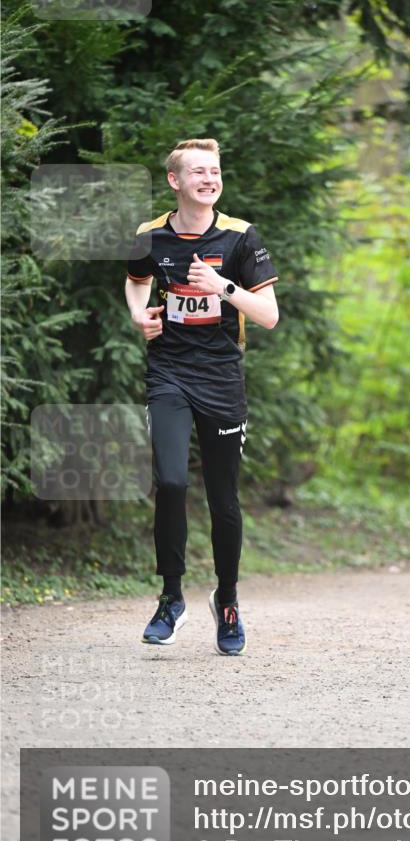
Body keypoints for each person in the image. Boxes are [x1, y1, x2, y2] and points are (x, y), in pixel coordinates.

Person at [125, 138, 279, 655]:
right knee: (170, 481)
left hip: (221, 378)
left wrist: (223, 287)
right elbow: (136, 282)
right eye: (198, 172)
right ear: (175, 181)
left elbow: (269, 315)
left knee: (223, 498)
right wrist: (139, 314)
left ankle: (227, 600)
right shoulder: (149, 236)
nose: (209, 179)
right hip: (168, 373)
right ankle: (171, 598)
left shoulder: (240, 237)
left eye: (214, 171)